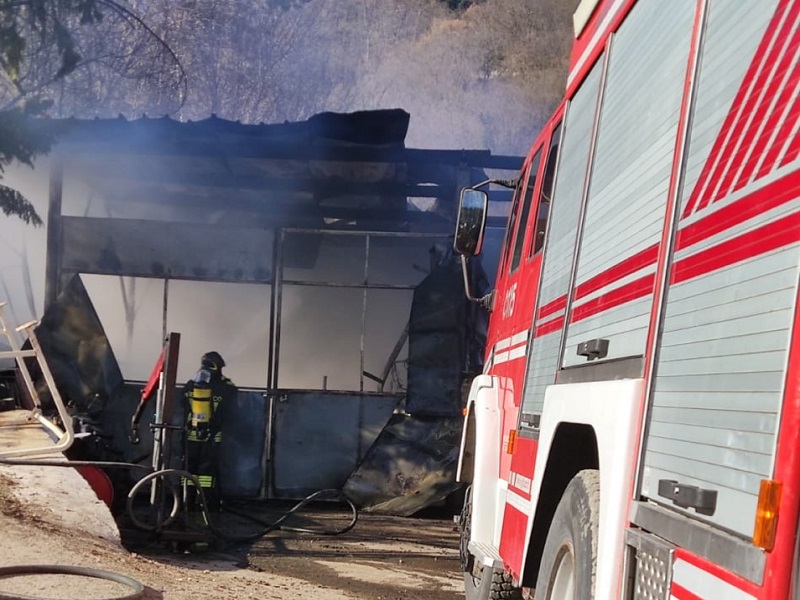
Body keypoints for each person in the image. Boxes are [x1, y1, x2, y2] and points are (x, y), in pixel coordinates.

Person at [182, 351, 237, 514]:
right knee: (207, 472)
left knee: (188, 471)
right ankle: (206, 503)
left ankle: (187, 502)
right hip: (212, 438)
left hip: (190, 436)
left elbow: (182, 407)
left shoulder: (190, 385)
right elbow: (231, 411)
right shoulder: (226, 387)